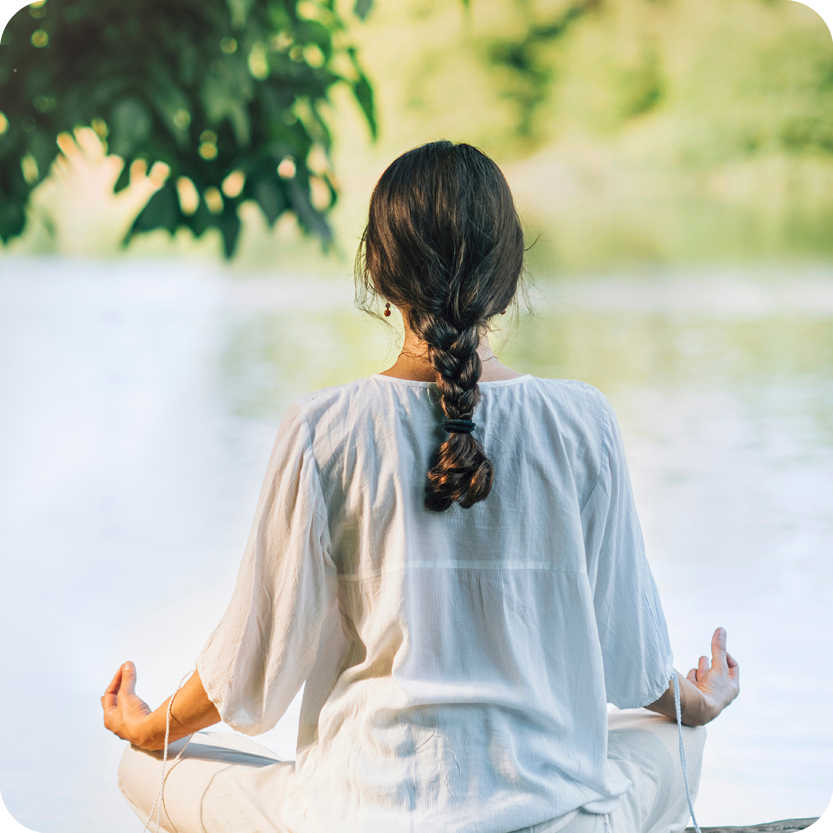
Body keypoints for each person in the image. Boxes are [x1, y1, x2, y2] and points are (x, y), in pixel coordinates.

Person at [103, 140, 740, 833]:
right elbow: (633, 661)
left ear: (377, 273)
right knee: (674, 739)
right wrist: (699, 702)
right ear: (509, 276)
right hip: (552, 818)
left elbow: (251, 669)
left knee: (141, 767)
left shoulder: (322, 428)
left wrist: (149, 727)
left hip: (358, 816)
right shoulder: (583, 419)